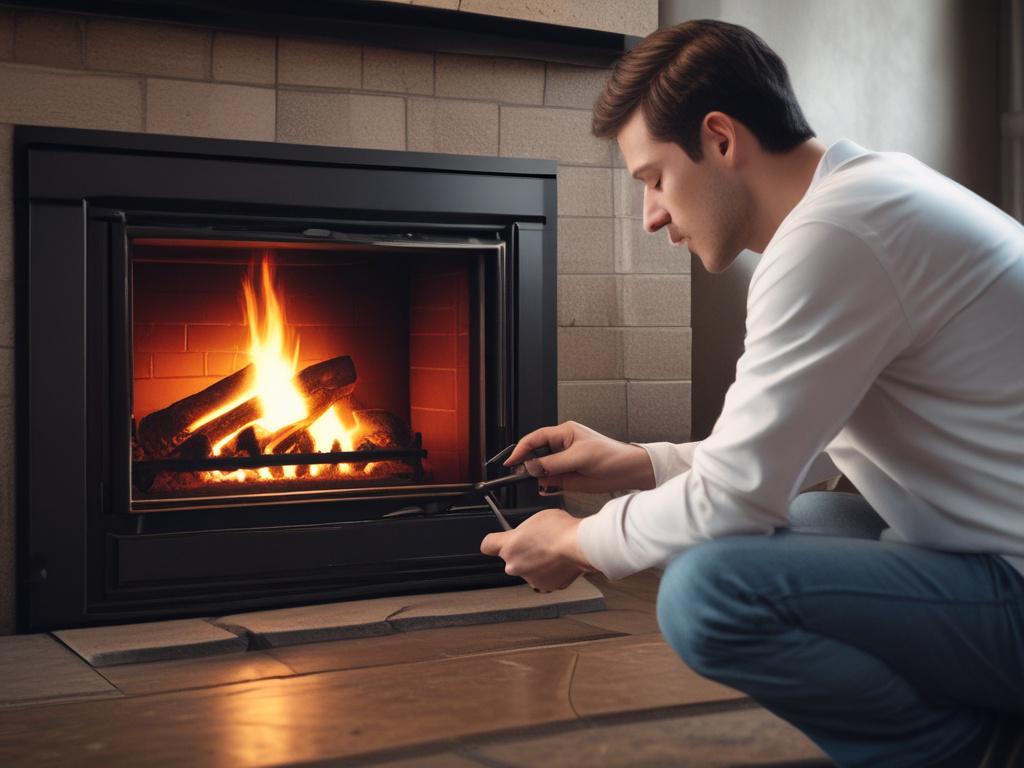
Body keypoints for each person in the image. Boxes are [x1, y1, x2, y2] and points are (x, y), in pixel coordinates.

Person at [479, 19, 1024, 768]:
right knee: (794, 521)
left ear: (720, 138)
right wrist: (637, 462)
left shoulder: (833, 238)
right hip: (991, 548)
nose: (652, 216)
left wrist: (575, 543)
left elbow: (735, 495)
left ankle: (975, 751)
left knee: (708, 591)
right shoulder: (867, 198)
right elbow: (780, 457)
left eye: (654, 179)